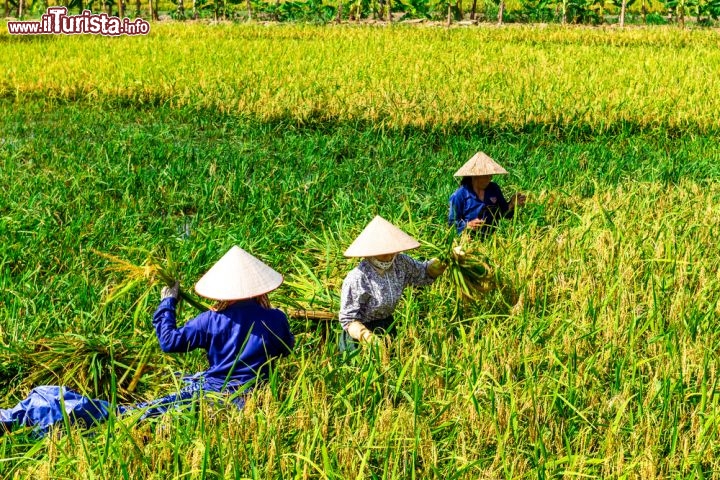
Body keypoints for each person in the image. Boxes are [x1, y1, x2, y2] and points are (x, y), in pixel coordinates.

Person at [0, 246, 294, 436]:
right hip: (246, 401)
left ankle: (39, 409)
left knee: (132, 415)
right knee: (140, 416)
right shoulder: (277, 319)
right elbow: (287, 348)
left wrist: (168, 304)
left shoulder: (211, 321)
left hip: (211, 394)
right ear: (260, 288)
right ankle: (39, 411)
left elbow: (169, 341)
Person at [338, 216, 446, 352]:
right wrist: (366, 336)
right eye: (383, 253)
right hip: (360, 335)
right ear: (371, 252)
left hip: (386, 327)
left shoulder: (400, 263)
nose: (389, 256)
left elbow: (423, 273)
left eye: (392, 251)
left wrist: (444, 261)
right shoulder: (358, 277)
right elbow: (348, 320)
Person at [448, 152, 526, 235]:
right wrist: (467, 225)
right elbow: (452, 223)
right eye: (485, 176)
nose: (489, 179)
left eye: (490, 176)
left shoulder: (494, 189)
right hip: (469, 239)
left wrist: (512, 204)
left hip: (491, 238)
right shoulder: (459, 195)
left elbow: (503, 213)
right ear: (475, 176)